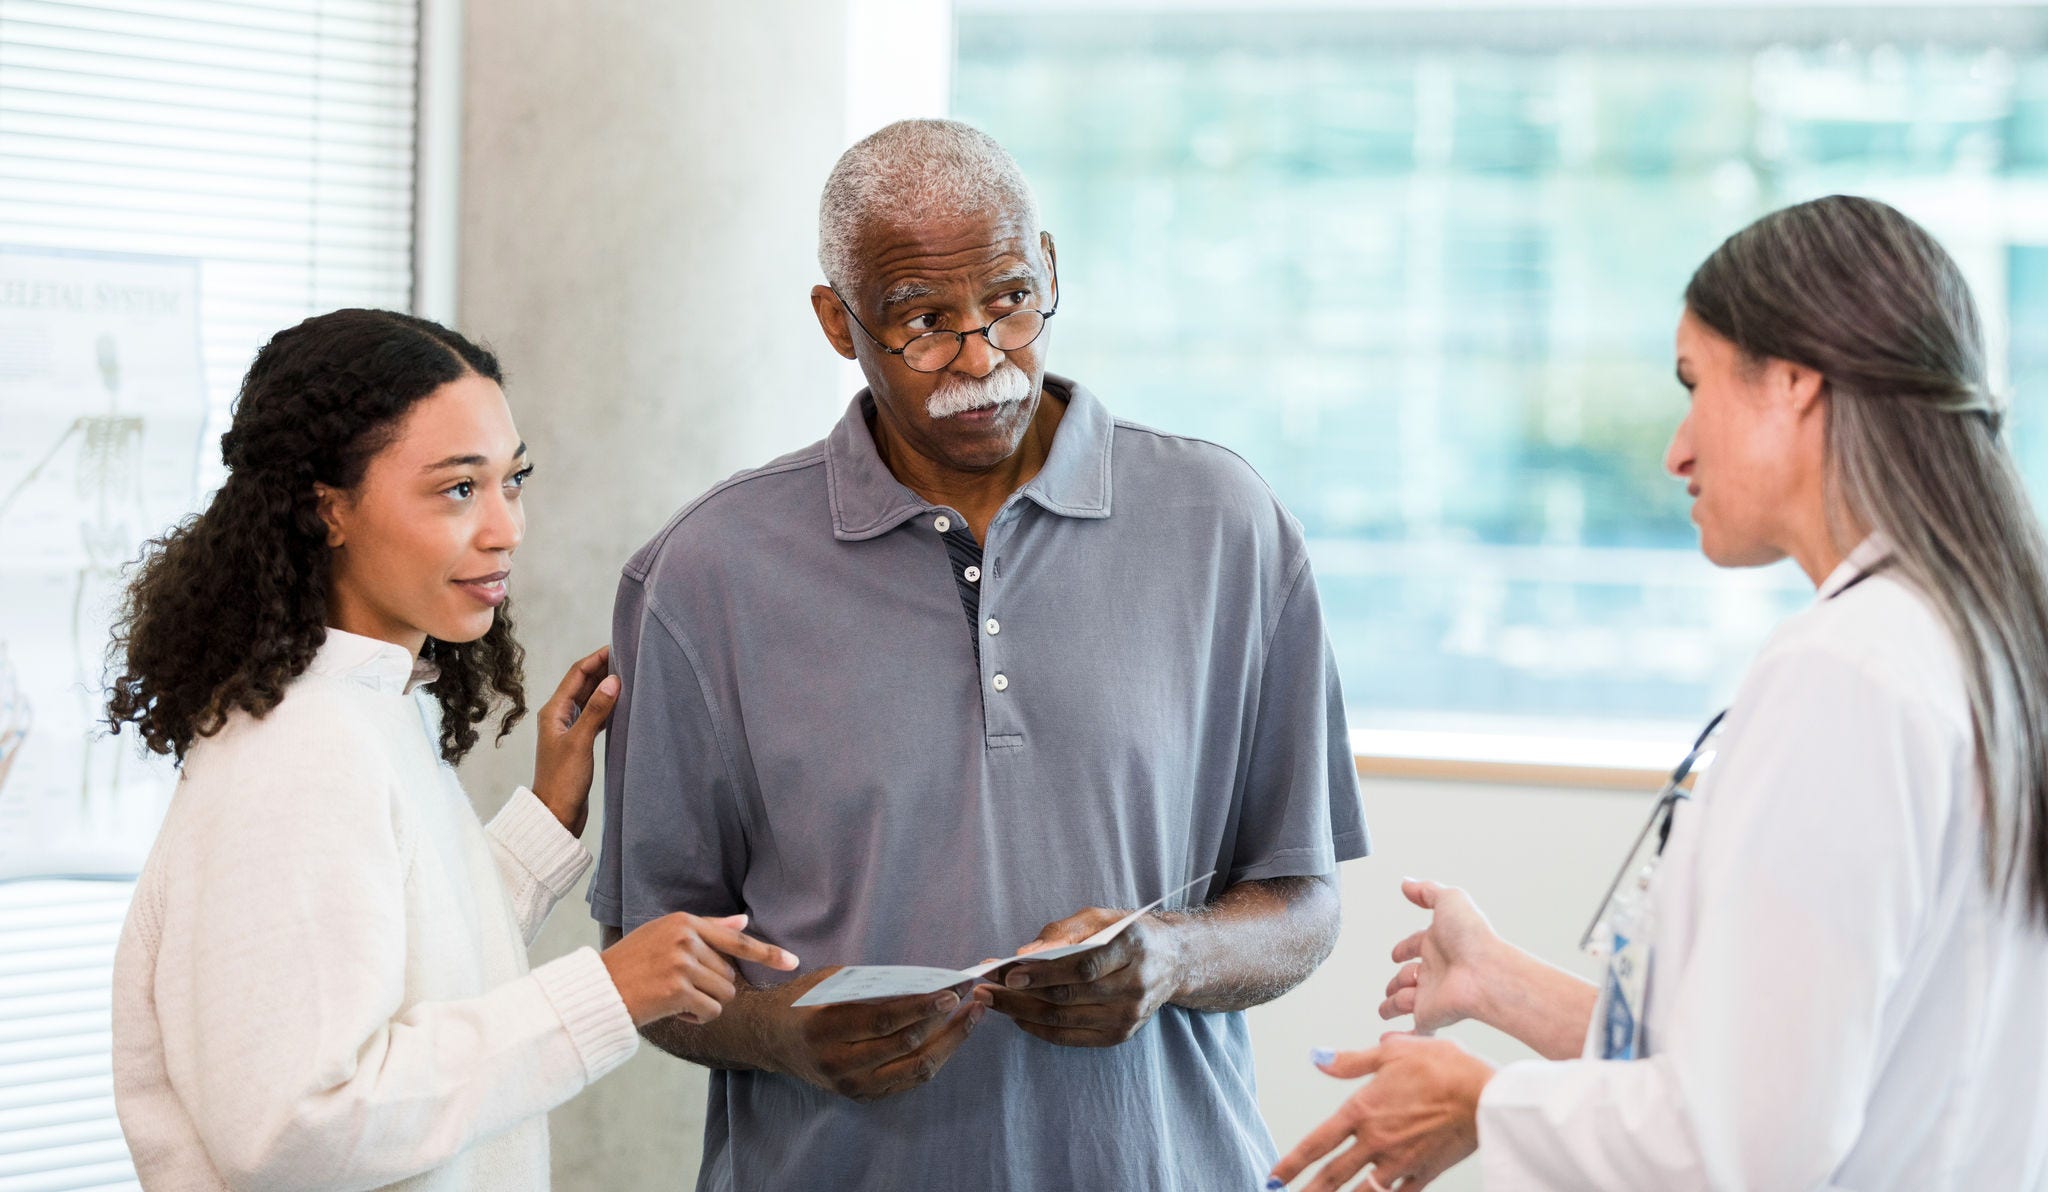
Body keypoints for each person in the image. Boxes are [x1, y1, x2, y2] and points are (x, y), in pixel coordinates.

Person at [590, 118, 1371, 1190]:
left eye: (1007, 300)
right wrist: (785, 1035)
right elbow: (648, 960)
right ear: (836, 321)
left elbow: (1303, 900)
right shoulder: (699, 575)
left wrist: (1171, 959)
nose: (980, 358)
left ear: (1046, 266)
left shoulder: (1226, 524)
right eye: (921, 321)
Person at [1268, 195, 2048, 1191]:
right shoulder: (1975, 648)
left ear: (1795, 381)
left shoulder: (1844, 672)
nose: (1675, 449)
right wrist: (1498, 985)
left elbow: (1745, 1143)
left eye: (1694, 384)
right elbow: (1794, 1061)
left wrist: (1478, 1102)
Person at [105, 308, 796, 1191]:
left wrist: (546, 821)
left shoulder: (368, 710)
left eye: (514, 480)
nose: (506, 526)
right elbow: (294, 1128)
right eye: (459, 489)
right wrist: (607, 993)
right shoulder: (299, 753)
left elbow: (401, 980)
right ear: (330, 511)